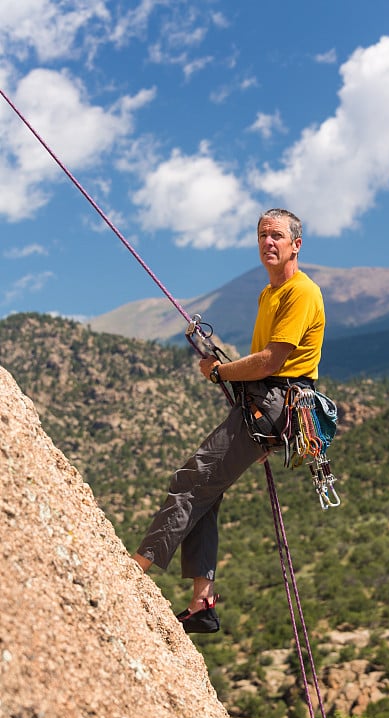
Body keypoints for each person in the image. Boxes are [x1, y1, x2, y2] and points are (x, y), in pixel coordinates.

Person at [132, 208, 325, 633]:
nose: (267, 243)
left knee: (192, 479)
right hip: (264, 406)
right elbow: (265, 365)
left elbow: (273, 361)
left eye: (276, 236)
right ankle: (202, 601)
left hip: (272, 404)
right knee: (207, 490)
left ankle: (133, 570)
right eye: (261, 236)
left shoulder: (301, 293)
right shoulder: (268, 294)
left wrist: (221, 371)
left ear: (296, 244)